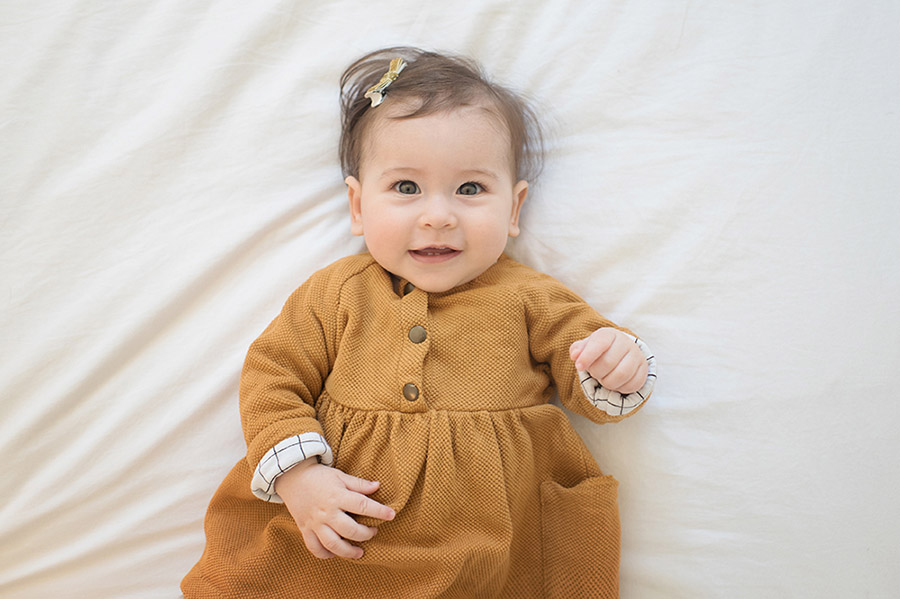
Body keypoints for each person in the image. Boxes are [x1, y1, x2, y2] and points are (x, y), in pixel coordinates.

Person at [182, 46, 656, 599]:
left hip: (494, 547)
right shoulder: (336, 293)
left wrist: (616, 364)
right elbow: (273, 374)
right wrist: (299, 476)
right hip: (344, 536)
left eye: (471, 189)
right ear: (358, 208)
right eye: (406, 188)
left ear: (513, 210)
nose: (438, 215)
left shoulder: (531, 297)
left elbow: (587, 368)